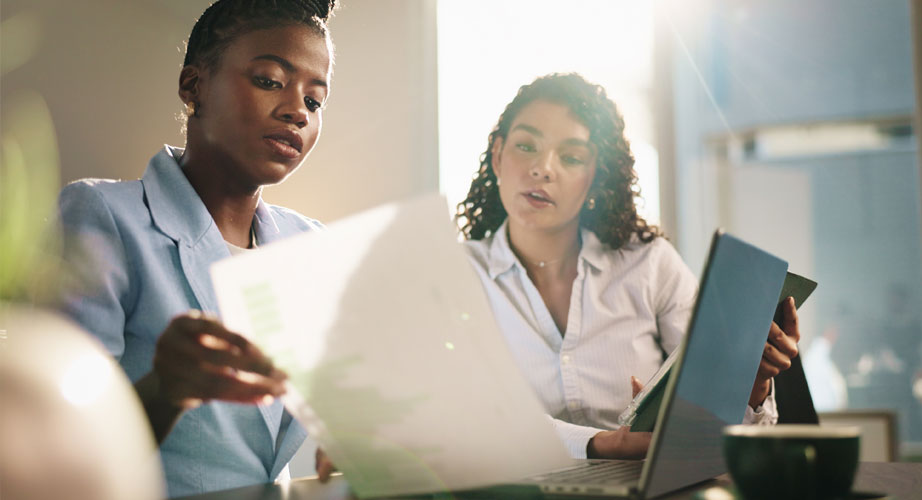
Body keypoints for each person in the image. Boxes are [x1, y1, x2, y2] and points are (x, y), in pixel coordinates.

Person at [55, 0, 335, 496]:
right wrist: (166, 388)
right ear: (194, 86)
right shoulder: (102, 216)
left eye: (314, 102)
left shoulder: (311, 246)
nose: (297, 111)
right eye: (270, 79)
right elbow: (59, 441)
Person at [456, 73, 801, 459]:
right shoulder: (455, 275)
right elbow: (462, 416)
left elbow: (724, 429)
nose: (543, 168)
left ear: (594, 179)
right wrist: (601, 443)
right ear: (498, 154)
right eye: (525, 146)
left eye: (570, 156)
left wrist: (752, 383)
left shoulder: (649, 263)